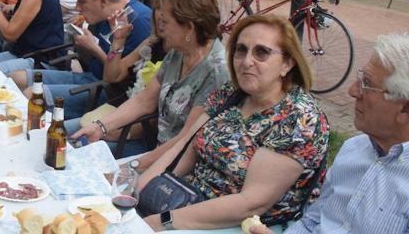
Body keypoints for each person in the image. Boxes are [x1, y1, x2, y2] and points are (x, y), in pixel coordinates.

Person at [251, 33, 409, 234]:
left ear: (406, 109)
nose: (352, 91)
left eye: (366, 84)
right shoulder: (356, 148)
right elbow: (314, 222)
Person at [138, 14, 329, 231]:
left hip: (245, 224)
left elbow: (250, 204)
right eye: (241, 50)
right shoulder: (231, 93)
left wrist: (163, 221)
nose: (247, 61)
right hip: (188, 199)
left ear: (287, 64)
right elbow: (184, 149)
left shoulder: (298, 118)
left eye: (261, 52)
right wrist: (142, 189)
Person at [71, 0, 228, 160]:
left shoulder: (216, 71)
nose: (160, 28)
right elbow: (143, 100)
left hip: (175, 162)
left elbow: (186, 140)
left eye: (165, 22)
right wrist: (100, 126)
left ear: (189, 28)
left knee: (76, 153)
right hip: (155, 149)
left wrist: (135, 166)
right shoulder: (178, 52)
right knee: (72, 146)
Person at [4, 0, 153, 120]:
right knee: (14, 78)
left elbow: (118, 78)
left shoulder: (138, 22)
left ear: (102, 1)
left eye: (82, 1)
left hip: (108, 93)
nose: (77, 7)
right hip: (90, 77)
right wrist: (83, 46)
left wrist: (93, 49)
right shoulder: (106, 14)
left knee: (32, 94)